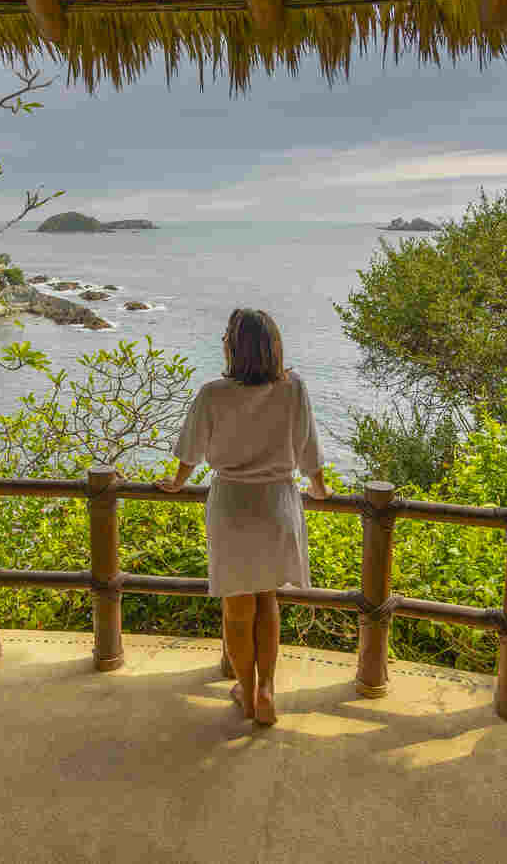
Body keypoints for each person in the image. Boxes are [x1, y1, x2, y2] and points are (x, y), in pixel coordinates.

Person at [158, 308, 327, 726]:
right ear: (274, 345)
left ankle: (246, 692)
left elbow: (189, 452)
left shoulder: (213, 393)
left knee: (237, 606)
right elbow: (309, 449)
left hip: (233, 503)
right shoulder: (293, 388)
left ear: (233, 346)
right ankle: (267, 689)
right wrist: (320, 490)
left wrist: (177, 483)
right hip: (277, 503)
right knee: (268, 598)